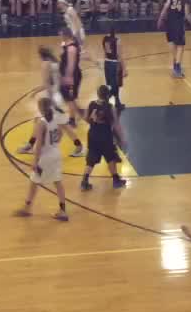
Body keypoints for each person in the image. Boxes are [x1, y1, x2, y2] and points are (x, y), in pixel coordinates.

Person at [14, 96, 70, 222]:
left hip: (45, 158)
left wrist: (35, 161)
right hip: (56, 153)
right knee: (58, 182)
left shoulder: (41, 123)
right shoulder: (55, 118)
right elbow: (61, 134)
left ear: (40, 108)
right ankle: (63, 211)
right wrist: (54, 142)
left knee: (34, 182)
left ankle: (27, 208)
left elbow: (39, 144)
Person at [81, 85, 127, 191]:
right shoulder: (110, 107)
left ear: (98, 94)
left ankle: (84, 181)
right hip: (105, 136)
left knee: (91, 159)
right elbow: (116, 125)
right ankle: (116, 180)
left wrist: (94, 122)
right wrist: (122, 138)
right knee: (111, 157)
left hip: (93, 135)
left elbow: (86, 118)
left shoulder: (91, 104)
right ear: (108, 95)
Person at [158, 0, 191, 78]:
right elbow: (187, 15)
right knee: (180, 46)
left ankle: (175, 63)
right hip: (178, 25)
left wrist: (160, 19)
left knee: (172, 43)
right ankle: (177, 67)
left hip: (169, 23)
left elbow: (165, 8)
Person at [58, 26, 86, 158]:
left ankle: (74, 118)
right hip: (67, 76)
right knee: (70, 99)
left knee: (70, 99)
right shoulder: (66, 45)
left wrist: (68, 77)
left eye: (61, 34)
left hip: (72, 76)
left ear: (66, 35)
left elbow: (71, 64)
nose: (60, 36)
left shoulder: (71, 48)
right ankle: (77, 115)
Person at [101, 27, 126, 110]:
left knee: (114, 85)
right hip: (114, 64)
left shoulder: (104, 39)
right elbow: (119, 55)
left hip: (107, 63)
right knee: (115, 86)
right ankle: (104, 99)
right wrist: (124, 68)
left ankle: (117, 102)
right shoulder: (117, 40)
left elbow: (104, 53)